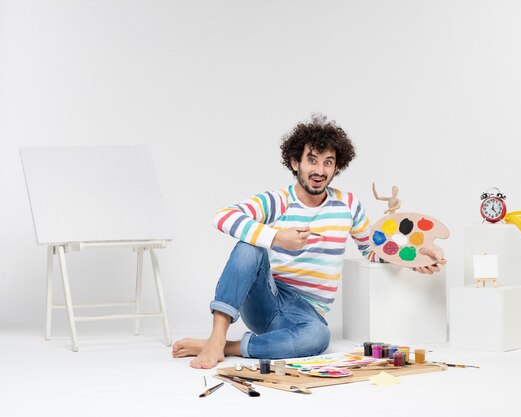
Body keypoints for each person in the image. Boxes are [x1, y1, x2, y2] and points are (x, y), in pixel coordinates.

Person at [172, 114, 445, 369]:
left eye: (328, 162)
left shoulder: (348, 205)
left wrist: (416, 256)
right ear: (295, 163)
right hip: (268, 297)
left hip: (307, 314)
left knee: (318, 338)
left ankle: (229, 347)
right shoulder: (278, 201)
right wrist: (276, 237)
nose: (320, 169)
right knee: (249, 246)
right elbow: (223, 216)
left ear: (337, 167)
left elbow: (371, 251)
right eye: (312, 160)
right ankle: (216, 338)